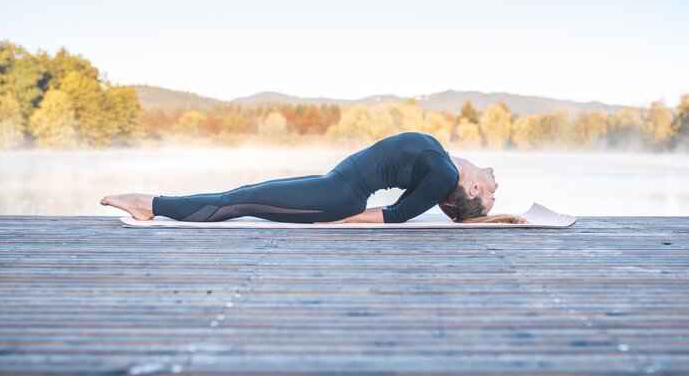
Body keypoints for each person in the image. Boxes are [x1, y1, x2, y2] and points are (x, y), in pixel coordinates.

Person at [100, 131, 527, 224]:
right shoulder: (443, 164)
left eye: (492, 196)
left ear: (472, 189)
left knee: (241, 200)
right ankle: (151, 204)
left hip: (338, 196)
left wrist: (334, 218)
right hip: (334, 185)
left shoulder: (442, 173)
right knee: (244, 196)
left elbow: (394, 215)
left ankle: (148, 204)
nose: (496, 185)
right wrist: (488, 217)